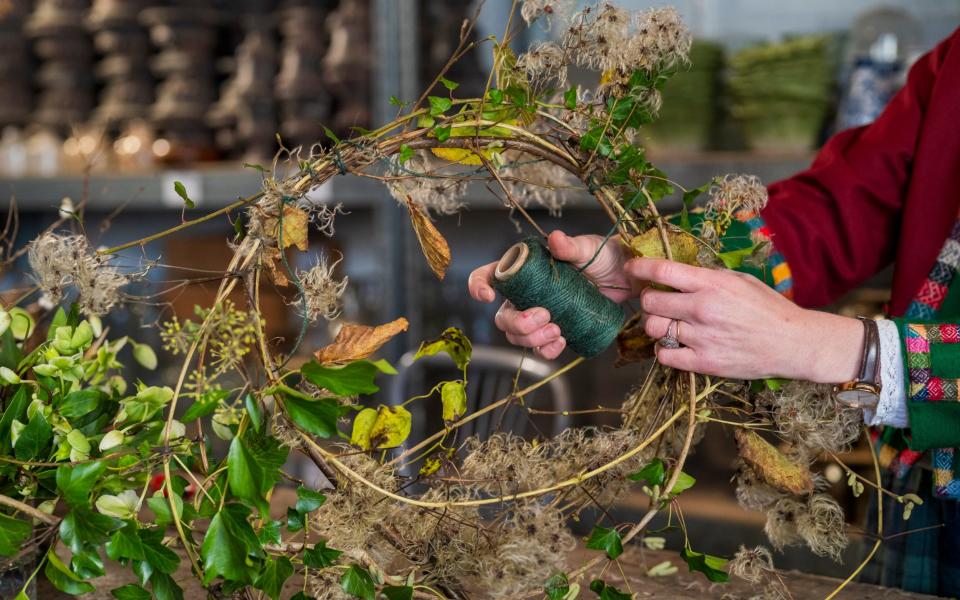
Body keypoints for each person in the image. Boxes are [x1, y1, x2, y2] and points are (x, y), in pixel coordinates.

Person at [468, 27, 960, 596]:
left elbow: (823, 337)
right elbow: (841, 207)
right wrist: (647, 262)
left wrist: (824, 346)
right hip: (923, 492)